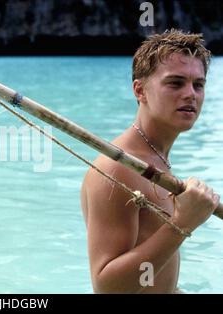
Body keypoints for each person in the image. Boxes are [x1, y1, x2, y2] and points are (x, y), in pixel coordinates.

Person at [80, 29, 220, 293]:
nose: (191, 94)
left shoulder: (154, 158)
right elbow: (107, 287)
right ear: (140, 90)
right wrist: (183, 223)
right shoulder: (118, 168)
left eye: (198, 84)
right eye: (175, 83)